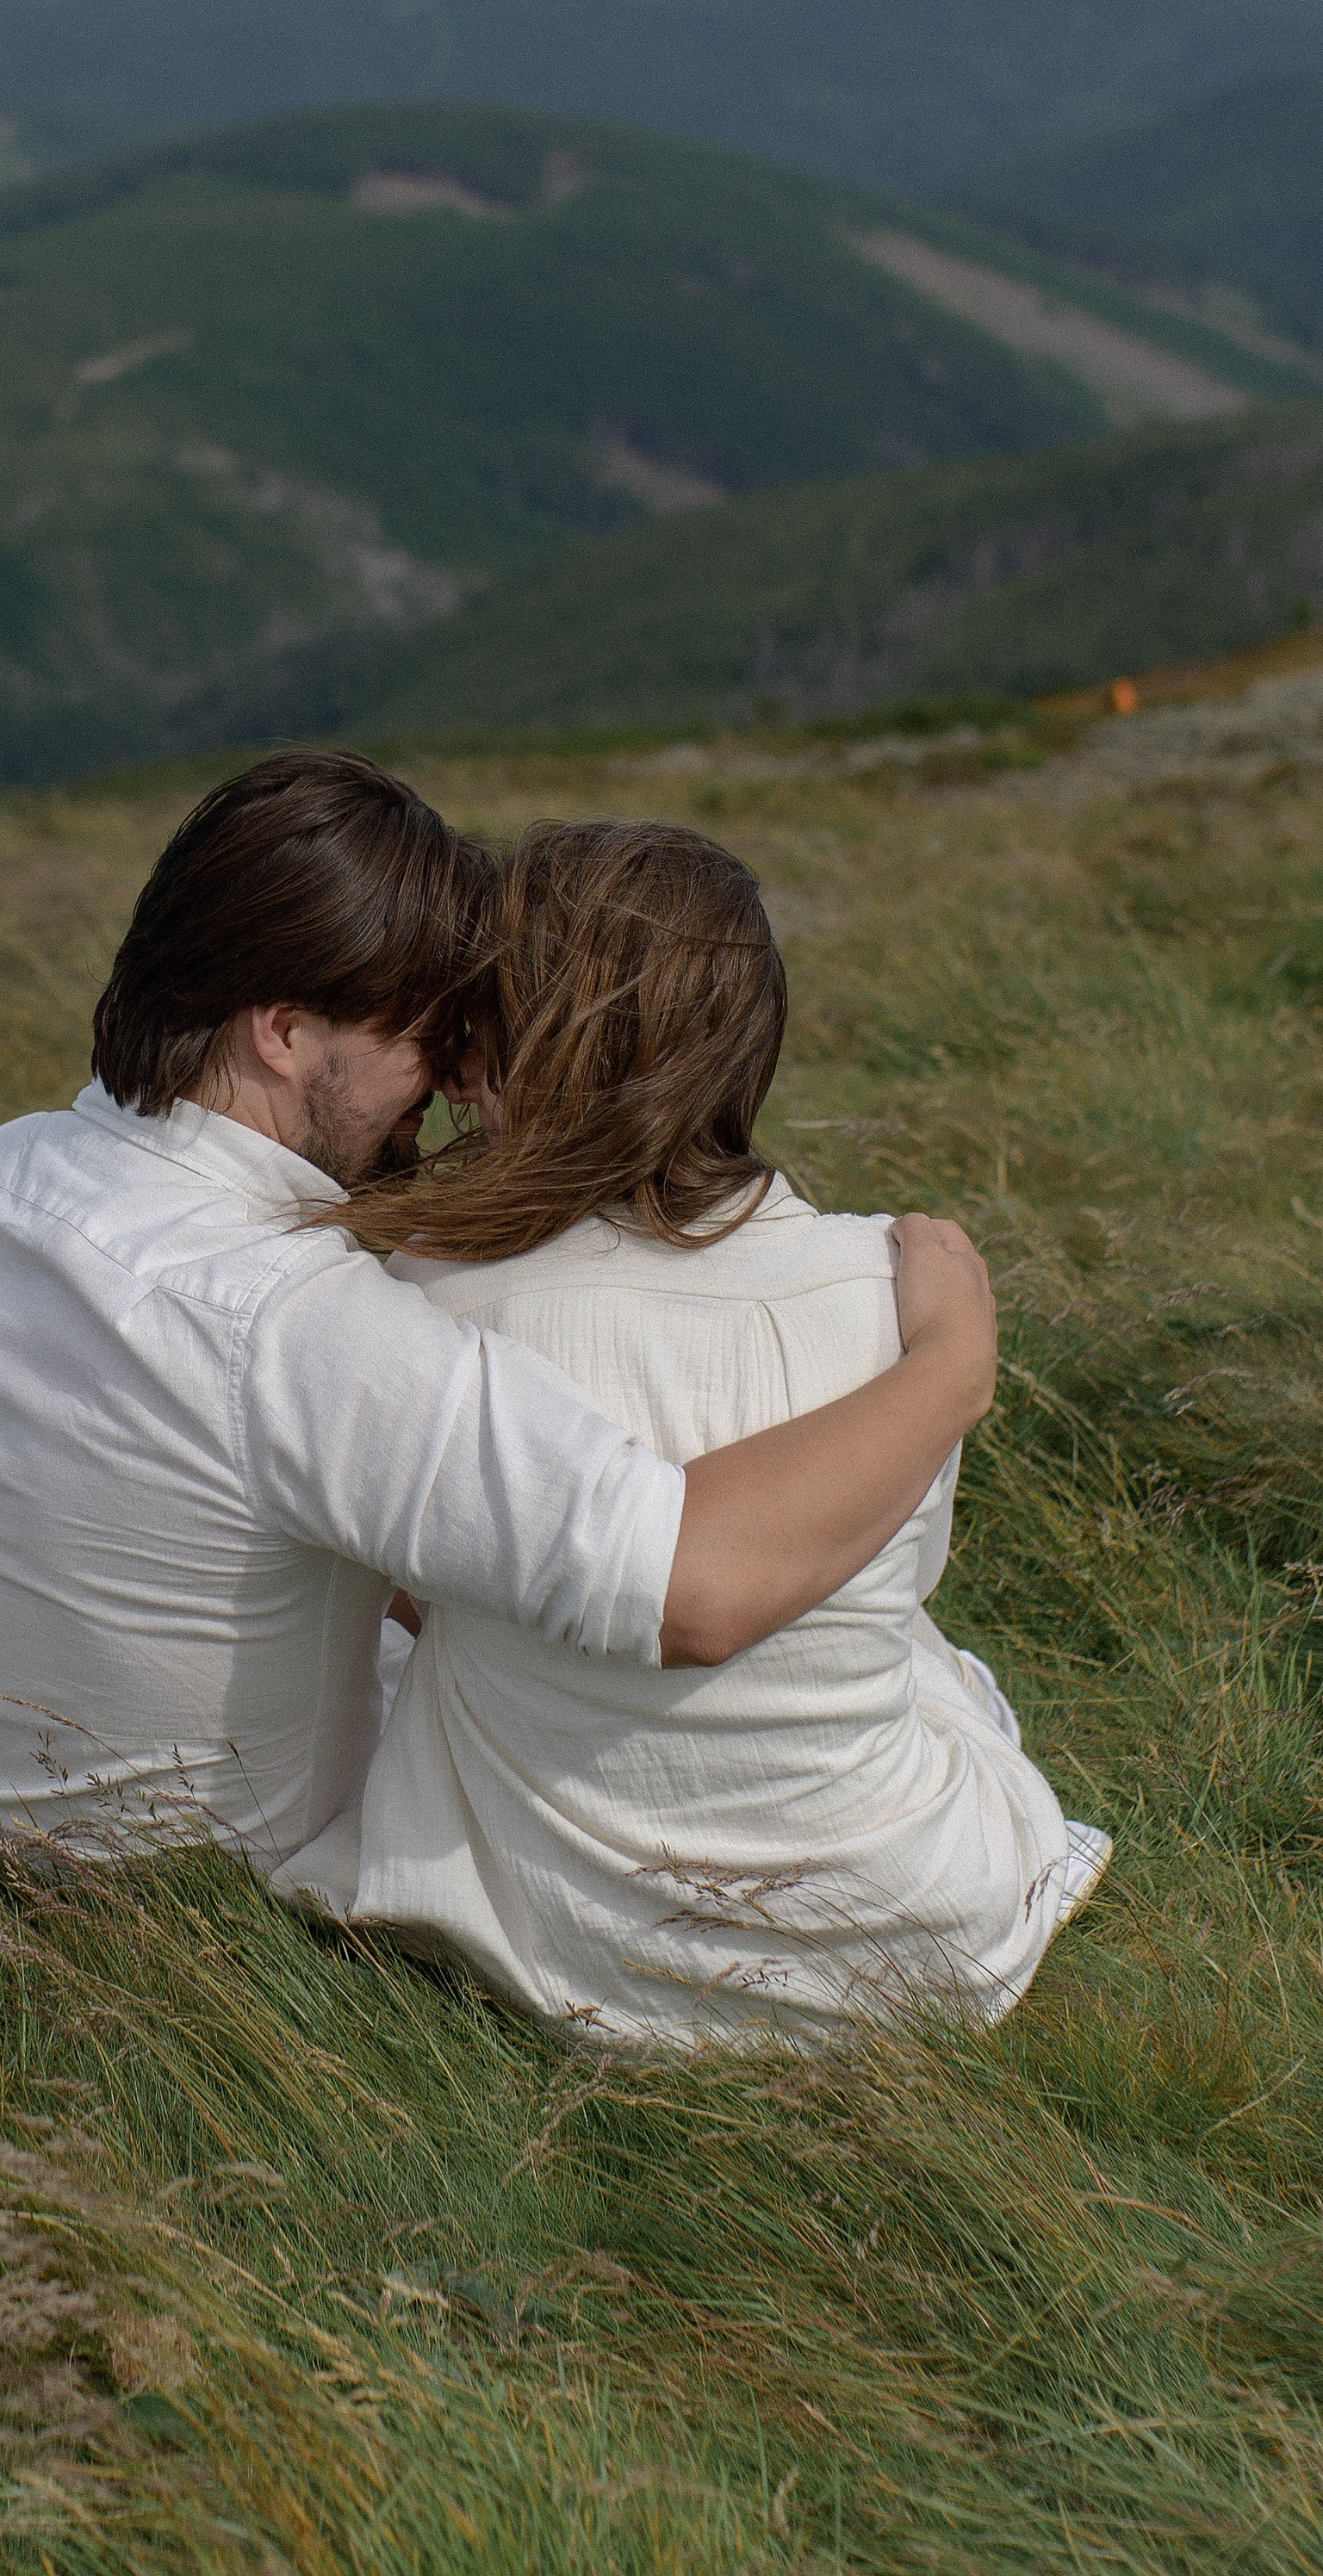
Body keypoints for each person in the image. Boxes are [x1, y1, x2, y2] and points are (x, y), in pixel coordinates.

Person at [0, 752, 998, 1868]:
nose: (443, 1082)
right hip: (153, 1889)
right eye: (425, 1033)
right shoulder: (292, 1322)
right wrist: (946, 1366)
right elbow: (695, 1590)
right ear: (281, 1032)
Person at [275, 818, 1108, 2044]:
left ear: (527, 1043)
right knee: (923, 1659)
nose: (450, 1072)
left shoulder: (419, 1304)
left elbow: (418, 1591)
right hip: (908, 1931)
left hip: (562, 1939)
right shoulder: (894, 1287)